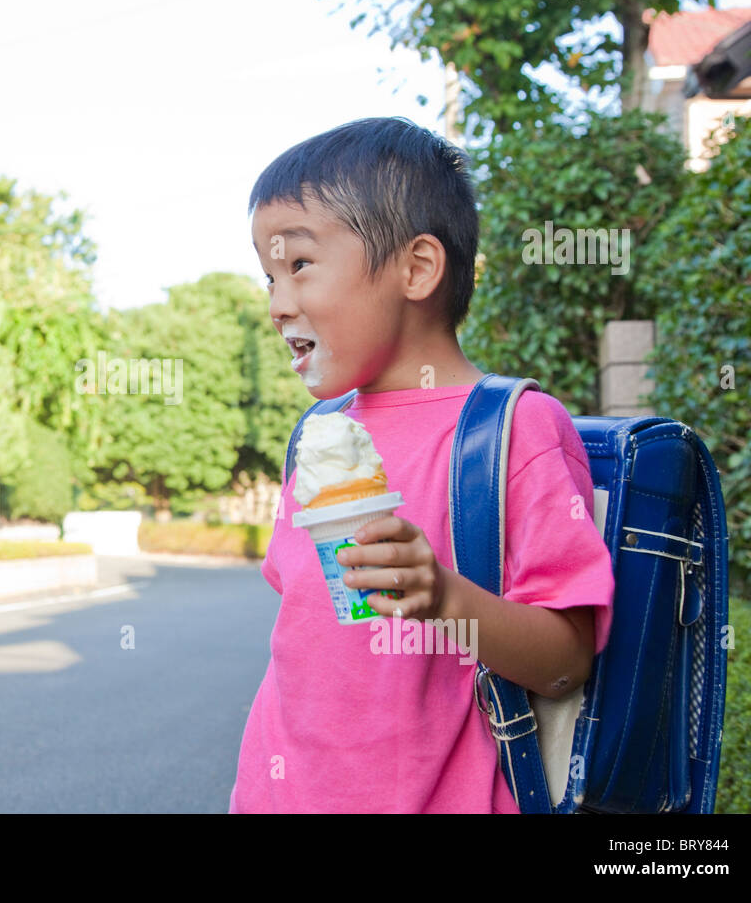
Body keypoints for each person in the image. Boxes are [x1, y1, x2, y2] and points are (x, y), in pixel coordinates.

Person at [230, 117, 615, 813]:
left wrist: (443, 597)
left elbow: (566, 663)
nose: (278, 304)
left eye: (300, 266)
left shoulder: (509, 431)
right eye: (268, 276)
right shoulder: (317, 436)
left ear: (416, 268)